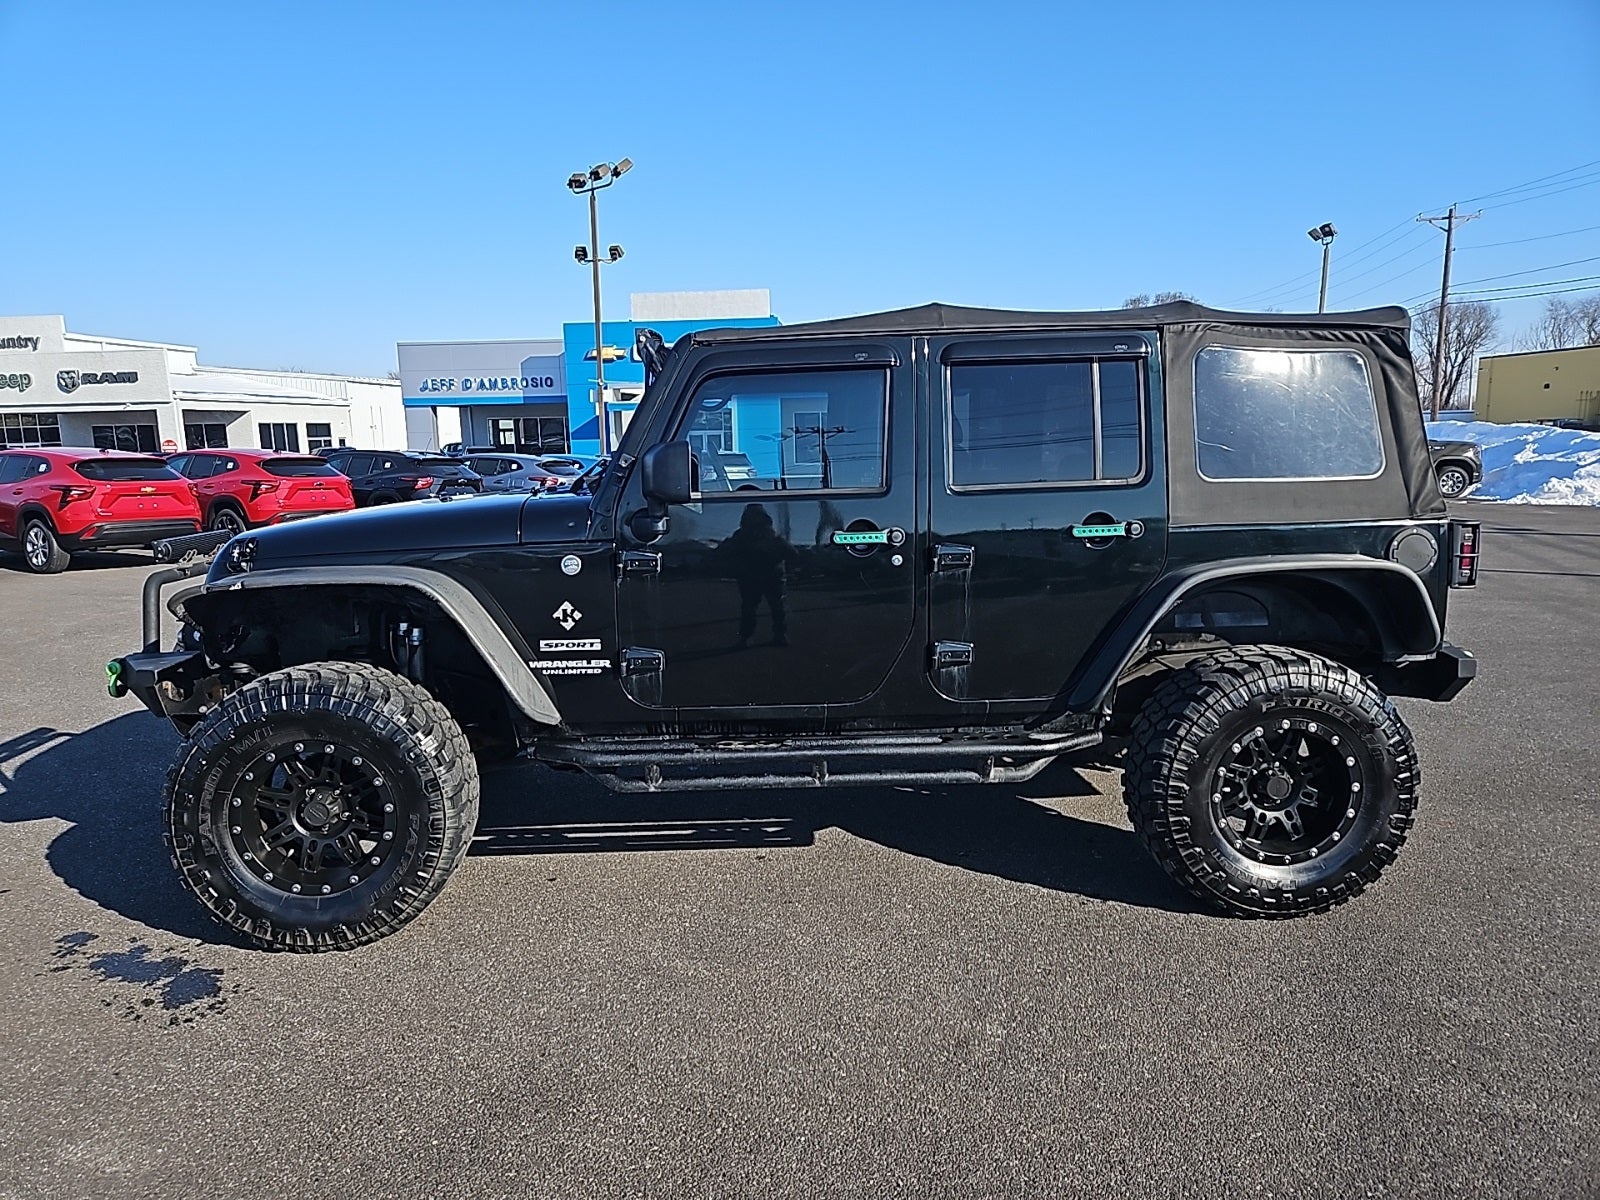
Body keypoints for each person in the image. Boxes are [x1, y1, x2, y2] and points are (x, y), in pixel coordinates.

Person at [718, 504, 798, 647]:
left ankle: (757, 636)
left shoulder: (764, 535)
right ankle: (769, 635)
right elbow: (791, 553)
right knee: (766, 607)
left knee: (769, 607)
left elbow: (790, 552)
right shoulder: (749, 535)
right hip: (758, 576)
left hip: (763, 576)